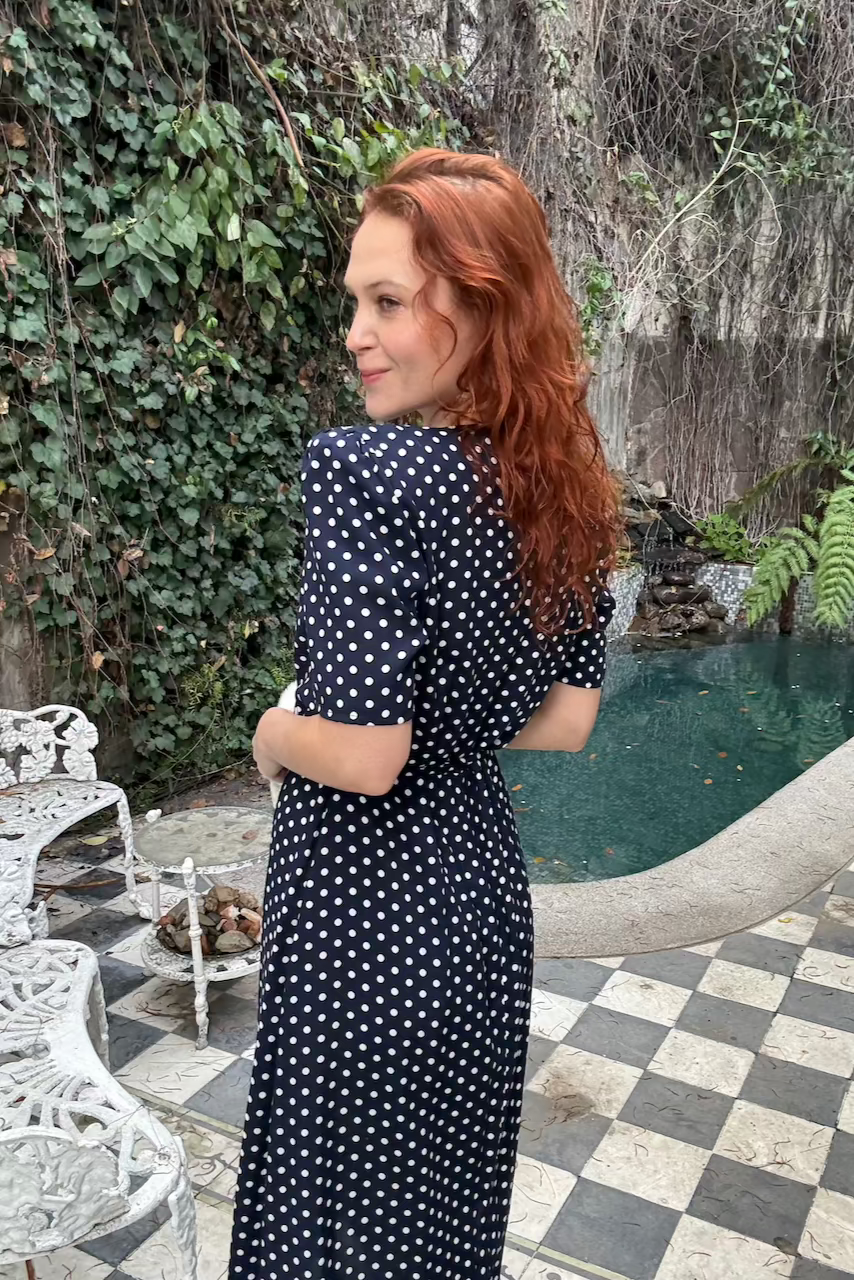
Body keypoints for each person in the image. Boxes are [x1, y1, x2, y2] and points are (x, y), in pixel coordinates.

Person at [229, 147, 619, 1280]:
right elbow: (566, 721)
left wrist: (270, 732)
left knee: (325, 1236)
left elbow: (363, 755)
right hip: (479, 914)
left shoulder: (365, 470)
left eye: (388, 302)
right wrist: (442, 720)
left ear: (484, 310)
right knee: (440, 1232)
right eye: (356, 301)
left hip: (363, 918)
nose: (355, 332)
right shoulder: (566, 490)